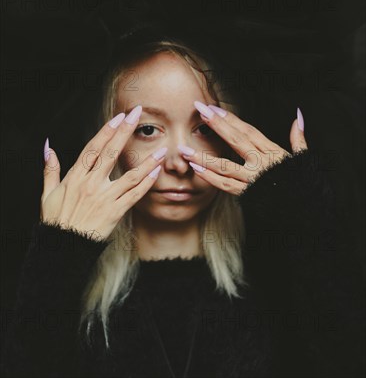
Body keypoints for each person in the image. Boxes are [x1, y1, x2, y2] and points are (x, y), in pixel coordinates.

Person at [1, 32, 363, 378]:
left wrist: (308, 223)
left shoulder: (276, 277)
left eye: (204, 127)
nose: (177, 162)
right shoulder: (47, 280)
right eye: (147, 129)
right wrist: (59, 254)